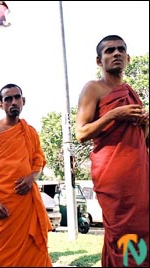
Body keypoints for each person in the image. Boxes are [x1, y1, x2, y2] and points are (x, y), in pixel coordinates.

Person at [75, 35, 149, 267]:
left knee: (142, 226)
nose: (116, 53)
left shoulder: (130, 92)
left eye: (120, 50)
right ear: (99, 61)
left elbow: (141, 139)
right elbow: (81, 133)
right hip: (112, 173)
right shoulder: (93, 88)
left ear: (127, 58)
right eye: (109, 51)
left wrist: (145, 124)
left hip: (137, 171)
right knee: (122, 229)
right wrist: (114, 114)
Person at [0, 83, 52, 266]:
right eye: (8, 99)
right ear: (1, 105)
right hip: (5, 203)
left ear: (23, 101)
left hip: (27, 201)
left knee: (34, 253)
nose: (13, 102)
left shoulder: (30, 132)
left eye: (17, 97)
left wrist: (32, 178)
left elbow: (39, 161)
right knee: (0, 256)